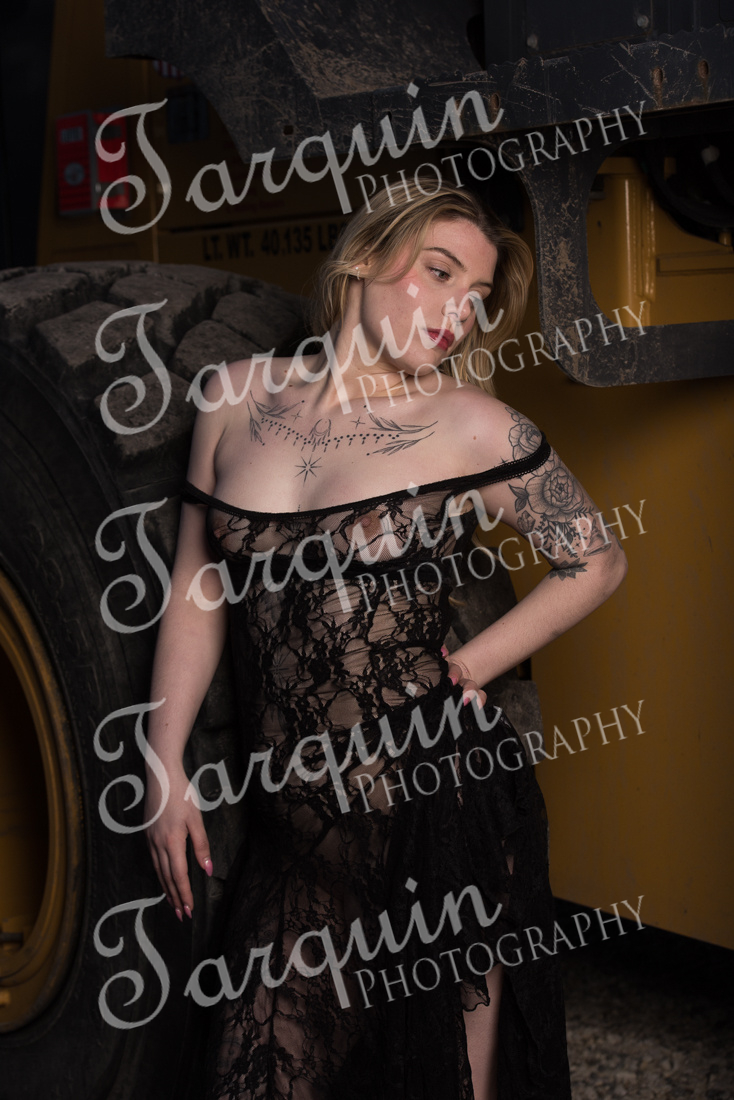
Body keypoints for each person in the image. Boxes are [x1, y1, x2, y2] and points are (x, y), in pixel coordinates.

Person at [143, 179, 627, 1099]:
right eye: (439, 274)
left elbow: (597, 559)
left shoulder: (472, 426)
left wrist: (473, 663)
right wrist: (163, 756)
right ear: (365, 257)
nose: (457, 313)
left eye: (476, 297)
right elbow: (199, 586)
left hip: (436, 823)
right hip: (298, 852)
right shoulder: (233, 397)